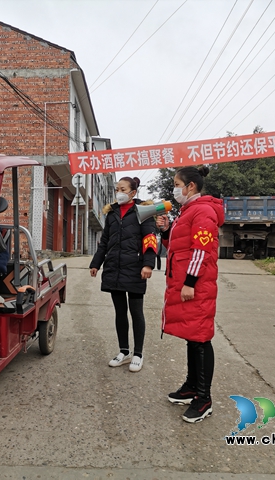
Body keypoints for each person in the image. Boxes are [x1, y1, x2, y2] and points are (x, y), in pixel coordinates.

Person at [156, 166, 224, 423]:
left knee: (200, 339)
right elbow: (178, 248)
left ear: (190, 186)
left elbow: (201, 250)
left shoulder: (203, 211)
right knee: (191, 336)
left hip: (196, 286)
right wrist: (165, 232)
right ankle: (191, 386)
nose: (174, 189)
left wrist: (190, 282)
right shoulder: (189, 211)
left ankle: (203, 398)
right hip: (187, 283)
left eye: (176, 183)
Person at [89, 177, 157, 373]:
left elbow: (149, 239)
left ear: (133, 192)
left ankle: (138, 354)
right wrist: (96, 263)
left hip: (135, 268)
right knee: (120, 312)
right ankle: (124, 351)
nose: (119, 192)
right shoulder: (112, 213)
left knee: (136, 312)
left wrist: (148, 264)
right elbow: (105, 241)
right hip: (114, 268)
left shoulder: (144, 211)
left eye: (123, 189)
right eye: (117, 189)